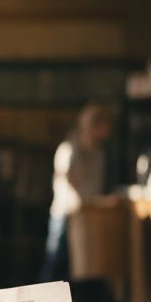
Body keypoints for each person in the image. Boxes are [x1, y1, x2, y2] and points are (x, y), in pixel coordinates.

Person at [40, 103, 112, 282]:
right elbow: (65, 184)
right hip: (65, 215)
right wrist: (82, 202)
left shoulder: (98, 153)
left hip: (88, 217)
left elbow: (95, 186)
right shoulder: (68, 150)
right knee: (54, 265)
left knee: (81, 270)